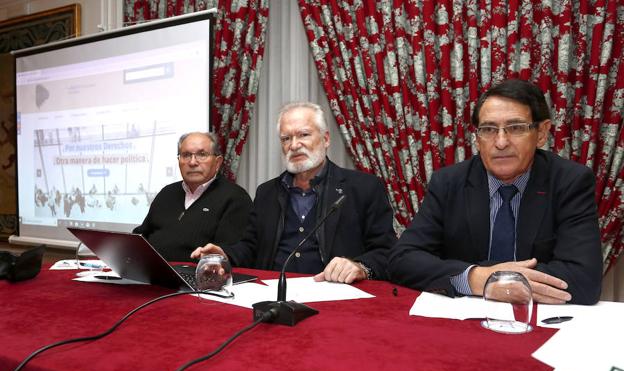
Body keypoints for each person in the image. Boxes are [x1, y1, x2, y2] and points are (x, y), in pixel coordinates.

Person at [388, 79, 602, 305]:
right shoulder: (449, 182)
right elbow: (402, 260)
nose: (501, 142)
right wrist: (474, 277)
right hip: (463, 321)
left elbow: (584, 280)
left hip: (540, 322)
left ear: (541, 133)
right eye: (489, 130)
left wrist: (496, 278)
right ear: (477, 138)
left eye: (516, 128)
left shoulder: (569, 182)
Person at [191, 102, 396, 283]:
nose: (294, 145)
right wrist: (225, 255)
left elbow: (387, 252)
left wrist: (359, 267)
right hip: (272, 295)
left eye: (304, 135)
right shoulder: (267, 192)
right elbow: (251, 247)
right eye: (286, 138)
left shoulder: (364, 188)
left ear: (325, 139)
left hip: (336, 298)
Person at [133, 132, 252, 262]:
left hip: (198, 278)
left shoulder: (235, 198)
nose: (192, 162)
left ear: (217, 162)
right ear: (179, 161)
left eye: (202, 154)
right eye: (186, 155)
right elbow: (141, 235)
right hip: (152, 273)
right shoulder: (167, 193)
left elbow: (228, 253)